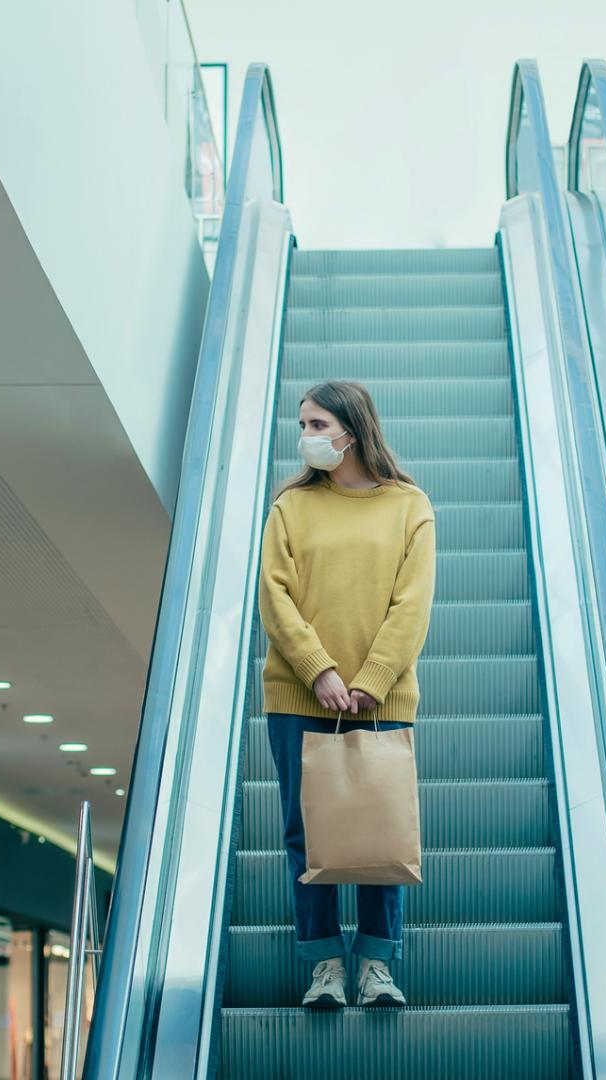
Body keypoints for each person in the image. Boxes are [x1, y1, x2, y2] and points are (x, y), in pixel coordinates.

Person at [257, 380, 436, 1011]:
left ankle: (378, 967)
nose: (304, 435)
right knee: (307, 836)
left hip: (379, 700)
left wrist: (370, 679)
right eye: (302, 424)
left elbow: (412, 606)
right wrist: (320, 670)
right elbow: (274, 598)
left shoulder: (408, 505)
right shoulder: (290, 507)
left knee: (379, 830)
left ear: (349, 433)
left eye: (314, 424)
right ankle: (324, 966)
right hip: (298, 696)